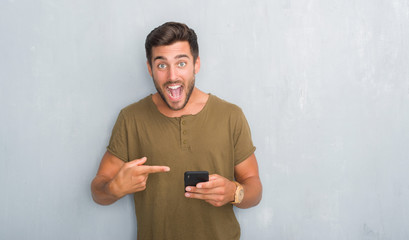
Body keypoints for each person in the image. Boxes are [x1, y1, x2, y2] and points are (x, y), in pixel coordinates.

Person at [91, 21, 262, 240]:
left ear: (196, 64)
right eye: (162, 65)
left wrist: (234, 193)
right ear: (150, 68)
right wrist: (113, 189)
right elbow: (98, 190)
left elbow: (254, 188)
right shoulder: (130, 118)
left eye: (181, 63)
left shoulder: (231, 116)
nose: (172, 76)